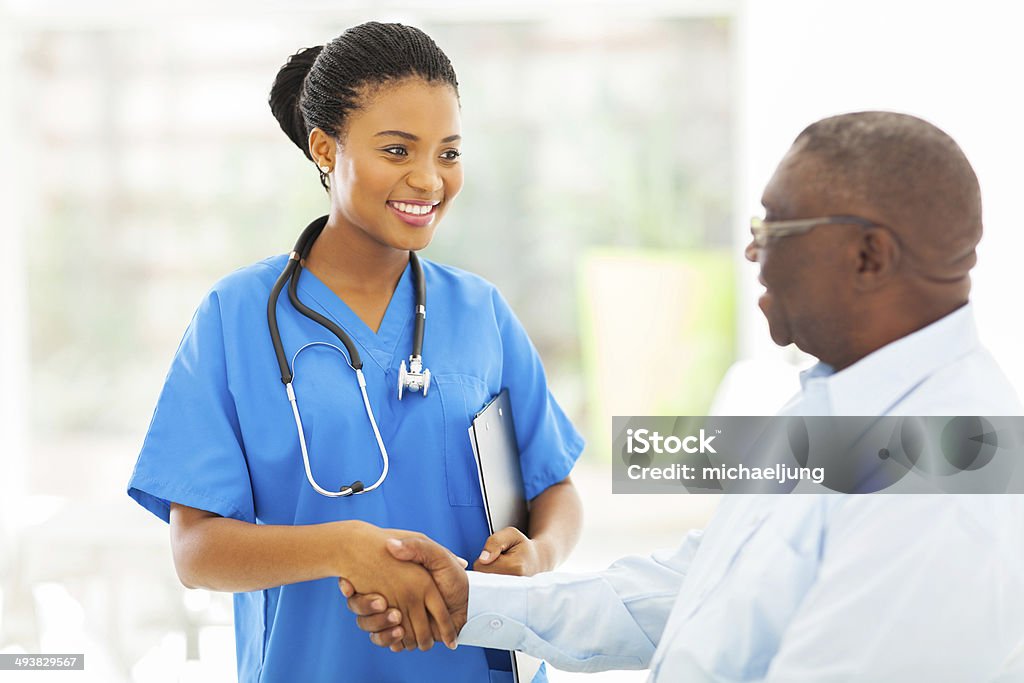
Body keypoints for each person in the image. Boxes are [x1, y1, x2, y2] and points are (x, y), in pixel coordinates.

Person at [343, 112, 1024, 681]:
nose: (754, 255)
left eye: (774, 231)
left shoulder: (951, 474)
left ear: (869, 256)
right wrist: (475, 600)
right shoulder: (844, 405)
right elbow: (696, 587)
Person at [126, 22, 584, 683]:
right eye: (397, 149)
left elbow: (556, 488)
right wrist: (346, 547)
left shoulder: (479, 310)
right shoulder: (236, 316)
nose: (428, 179)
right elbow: (196, 551)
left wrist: (537, 555)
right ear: (324, 148)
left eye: (448, 153)